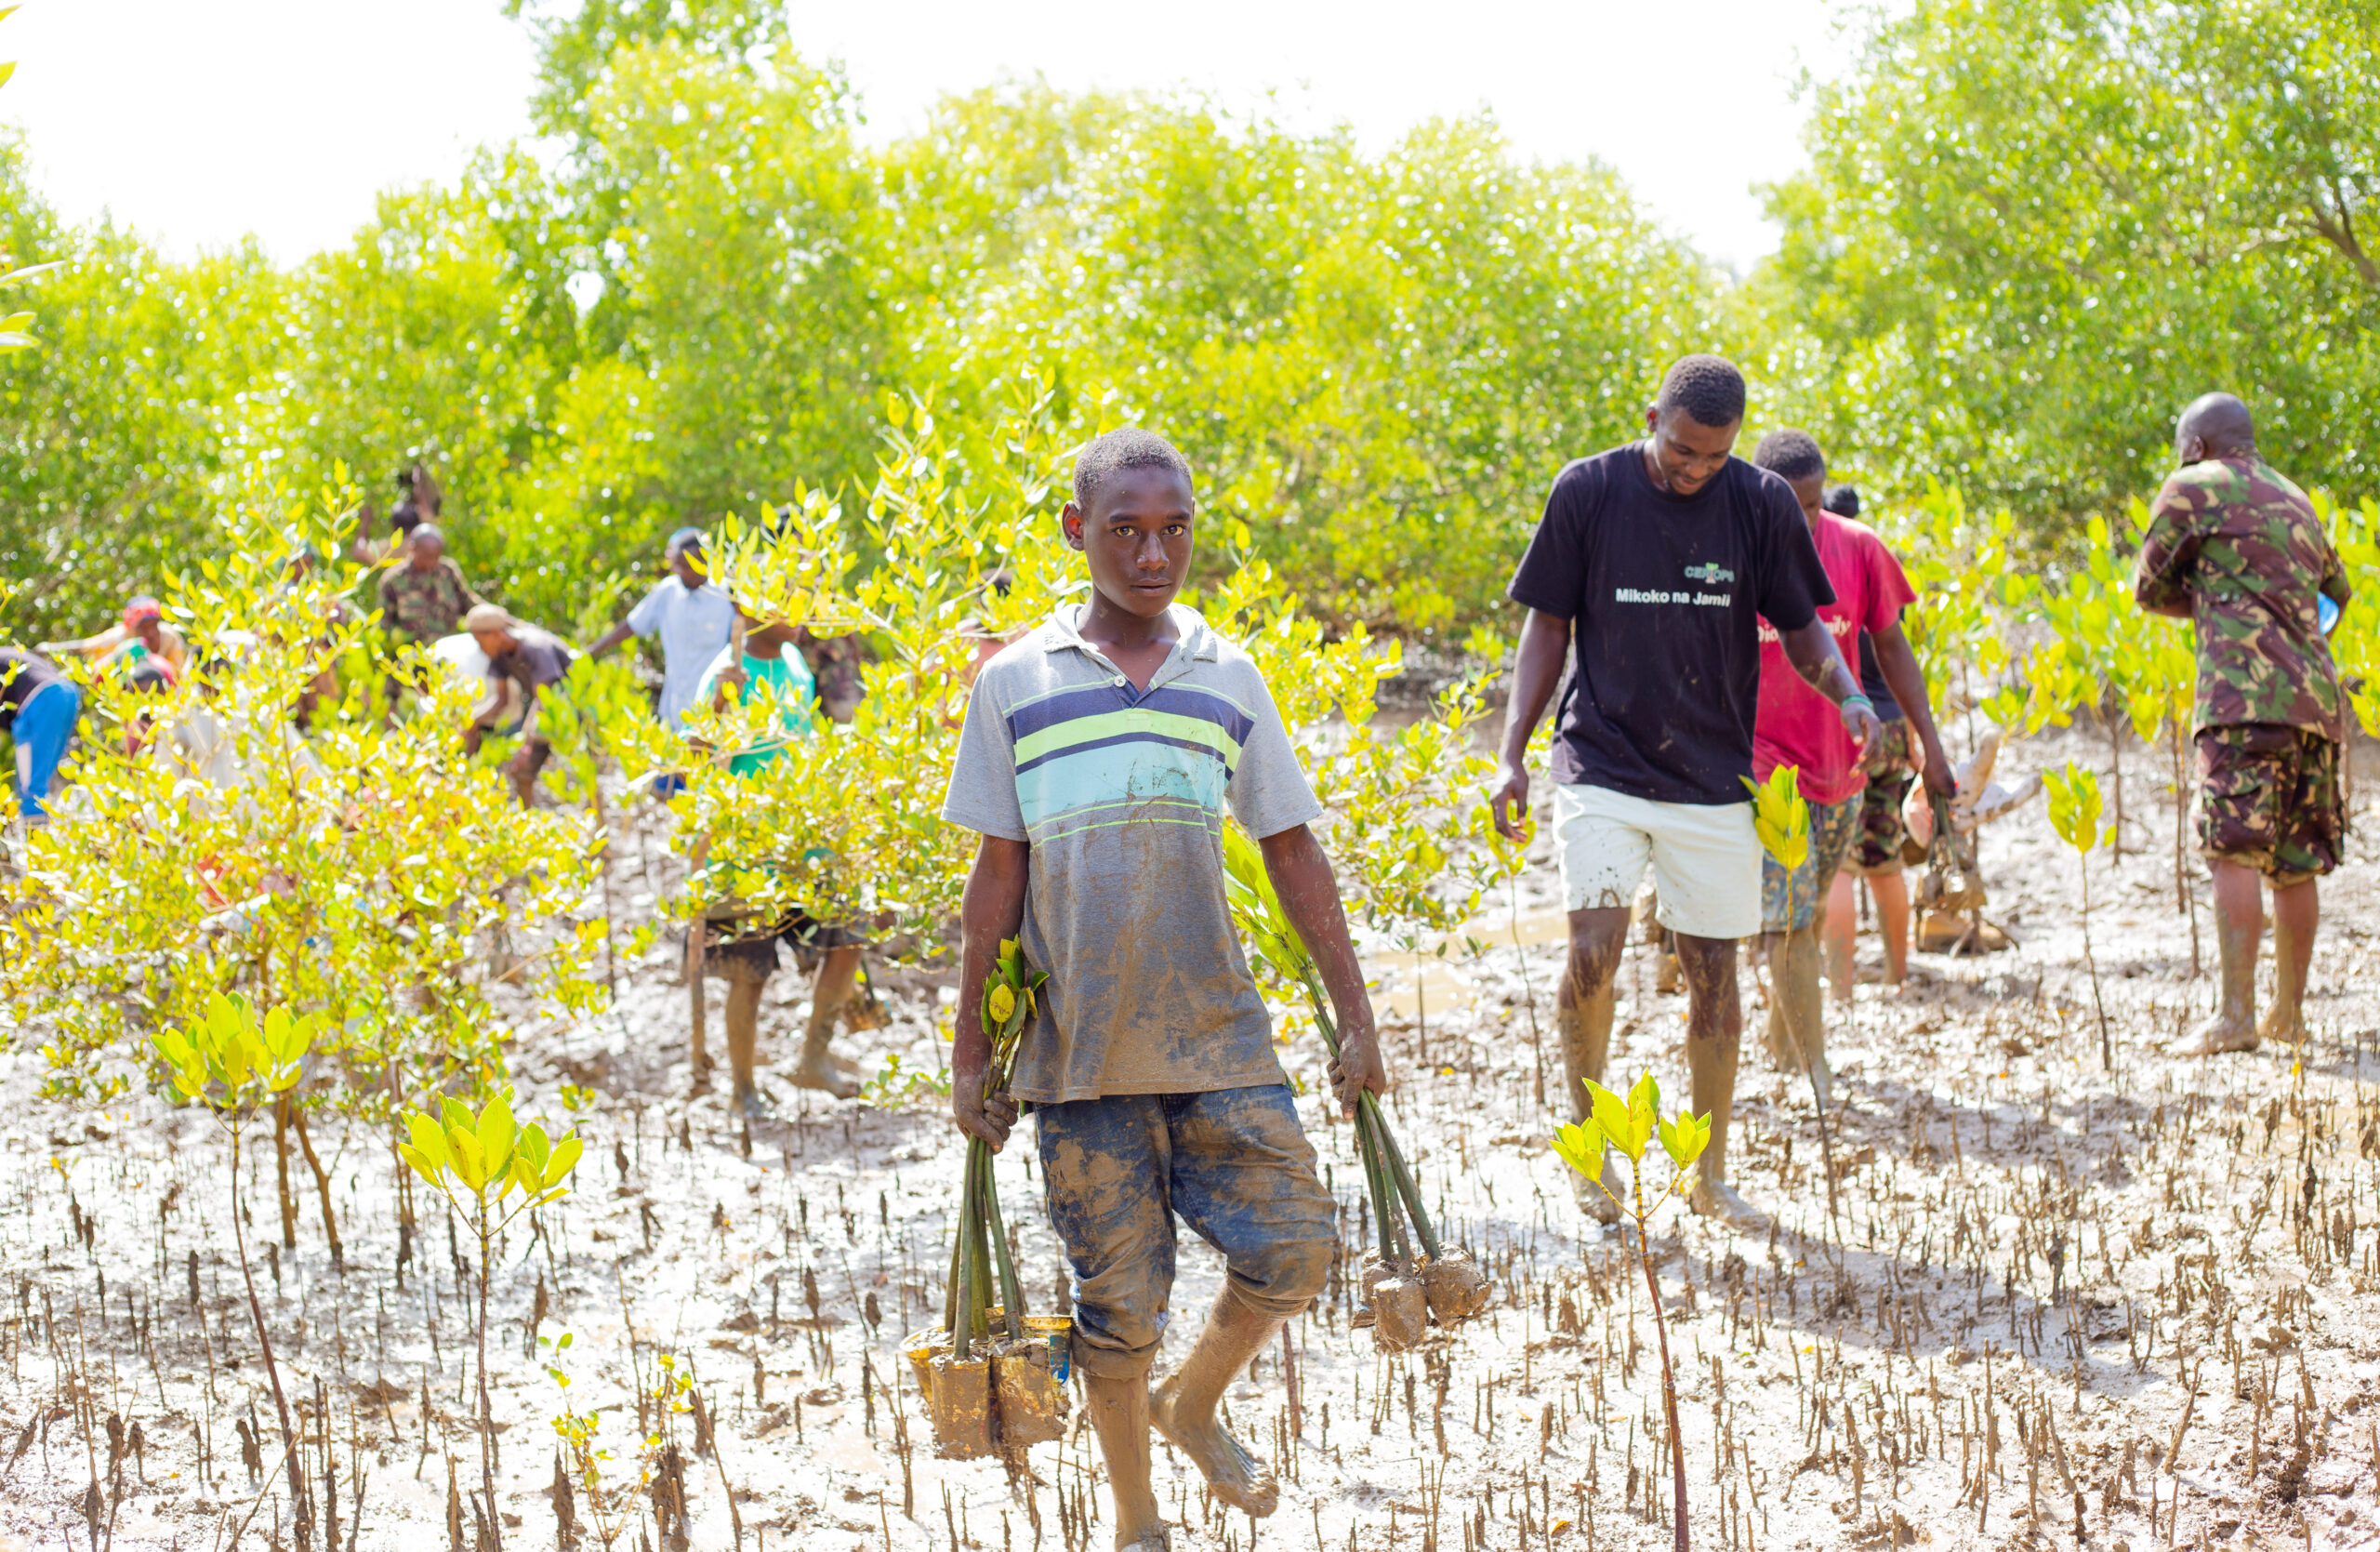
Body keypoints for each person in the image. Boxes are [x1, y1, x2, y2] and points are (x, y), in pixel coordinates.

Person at [943, 427, 1379, 1547]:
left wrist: (1356, 1015)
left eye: (1174, 529)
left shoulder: (1224, 674)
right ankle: (1137, 1521)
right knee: (1116, 1311)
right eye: (1126, 530)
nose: (1153, 553)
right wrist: (967, 1055)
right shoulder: (1011, 685)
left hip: (1218, 1039)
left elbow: (1290, 849)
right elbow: (997, 873)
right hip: (1080, 1057)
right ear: (1074, 532)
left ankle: (1196, 1403)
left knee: (1296, 1247)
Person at [1487, 355, 1874, 1230]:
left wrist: (1847, 692)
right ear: (1652, 414)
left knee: (1715, 977)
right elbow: (1547, 623)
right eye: (1680, 450)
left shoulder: (1761, 502)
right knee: (1595, 945)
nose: (1693, 469)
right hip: (1603, 761)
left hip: (1710, 777)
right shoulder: (1588, 489)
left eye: (1711, 456)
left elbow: (1803, 623)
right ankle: (1592, 1156)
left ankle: (1709, 1173)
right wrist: (1513, 752)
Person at [2133, 391, 2350, 1055]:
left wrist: (2210, 601)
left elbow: (2149, 586)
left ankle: (2235, 1017)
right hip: (2314, 701)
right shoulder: (2297, 499)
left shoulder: (2191, 486)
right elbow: (2335, 594)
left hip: (2239, 702)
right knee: (2295, 861)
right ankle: (2288, 1014)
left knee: (2232, 846)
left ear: (2197, 446)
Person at [1746, 436, 1954, 1106]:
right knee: (1783, 915)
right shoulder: (1733, 548)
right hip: (1763, 765)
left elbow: (1892, 648)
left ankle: (1782, 1041)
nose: (1805, 519)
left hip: (1844, 764)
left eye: (1814, 502)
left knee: (1802, 917)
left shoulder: (1859, 546)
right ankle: (1815, 1065)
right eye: (1791, 504)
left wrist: (1931, 742)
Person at [684, 606, 868, 1108]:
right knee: (749, 973)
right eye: (784, 605)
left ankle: (813, 1059)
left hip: (804, 847)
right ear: (750, 611)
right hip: (744, 856)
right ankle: (743, 1088)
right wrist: (721, 704)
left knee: (849, 938)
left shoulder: (794, 661)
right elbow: (695, 763)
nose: (800, 616)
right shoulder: (724, 673)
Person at [1818, 485, 1924, 995]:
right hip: (1895, 729)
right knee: (1883, 858)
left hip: (1849, 733)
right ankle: (1897, 976)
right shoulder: (1878, 561)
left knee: (1838, 863)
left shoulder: (1820, 568)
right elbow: (1895, 648)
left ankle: (1839, 986)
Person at [588, 527, 737, 734]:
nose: (681, 573)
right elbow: (631, 625)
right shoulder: (668, 591)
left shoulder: (726, 596)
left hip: (712, 713)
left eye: (687, 567)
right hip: (673, 711)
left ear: (704, 563)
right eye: (677, 566)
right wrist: (590, 653)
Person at [461, 604, 575, 807]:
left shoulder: (536, 647)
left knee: (581, 771)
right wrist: (472, 721)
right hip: (546, 711)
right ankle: (527, 819)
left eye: (480, 641)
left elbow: (544, 697)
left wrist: (526, 744)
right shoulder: (499, 656)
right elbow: (500, 700)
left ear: (496, 634)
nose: (480, 648)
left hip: (573, 710)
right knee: (522, 771)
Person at [0, 647, 80, 821]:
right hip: (67, 692)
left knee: (30, 787)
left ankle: (36, 843)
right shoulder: (6, 654)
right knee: (41, 779)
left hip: (41, 699)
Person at [377, 524, 483, 649]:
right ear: (413, 548)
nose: (431, 563)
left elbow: (469, 604)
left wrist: (497, 615)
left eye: (436, 557)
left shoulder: (447, 572)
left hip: (448, 654)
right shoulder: (393, 580)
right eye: (427, 557)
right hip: (412, 659)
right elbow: (384, 627)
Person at [41, 595, 189, 682]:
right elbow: (85, 646)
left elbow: (179, 679)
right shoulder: (119, 637)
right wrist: (48, 649)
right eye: (143, 628)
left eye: (153, 626)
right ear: (130, 628)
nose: (150, 633)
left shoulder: (170, 638)